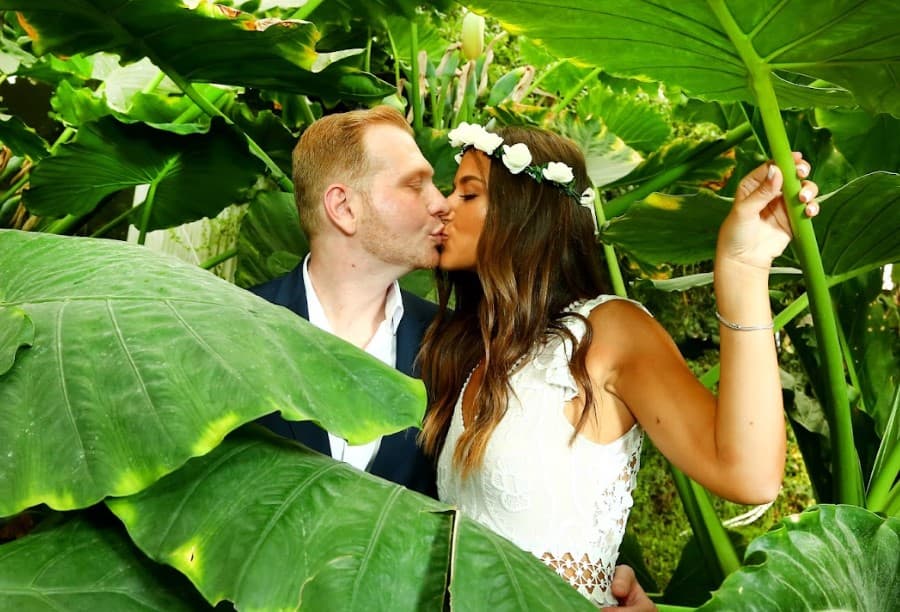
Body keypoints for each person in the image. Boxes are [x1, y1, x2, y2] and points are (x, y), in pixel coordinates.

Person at [252, 108, 656, 611]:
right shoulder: (228, 329)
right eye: (415, 184)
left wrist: (590, 579)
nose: (441, 204)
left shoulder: (462, 349)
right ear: (344, 208)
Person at [419, 123, 819, 608]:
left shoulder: (607, 332)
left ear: (524, 214)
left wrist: (744, 266)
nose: (443, 205)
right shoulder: (472, 351)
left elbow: (750, 476)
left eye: (468, 193)